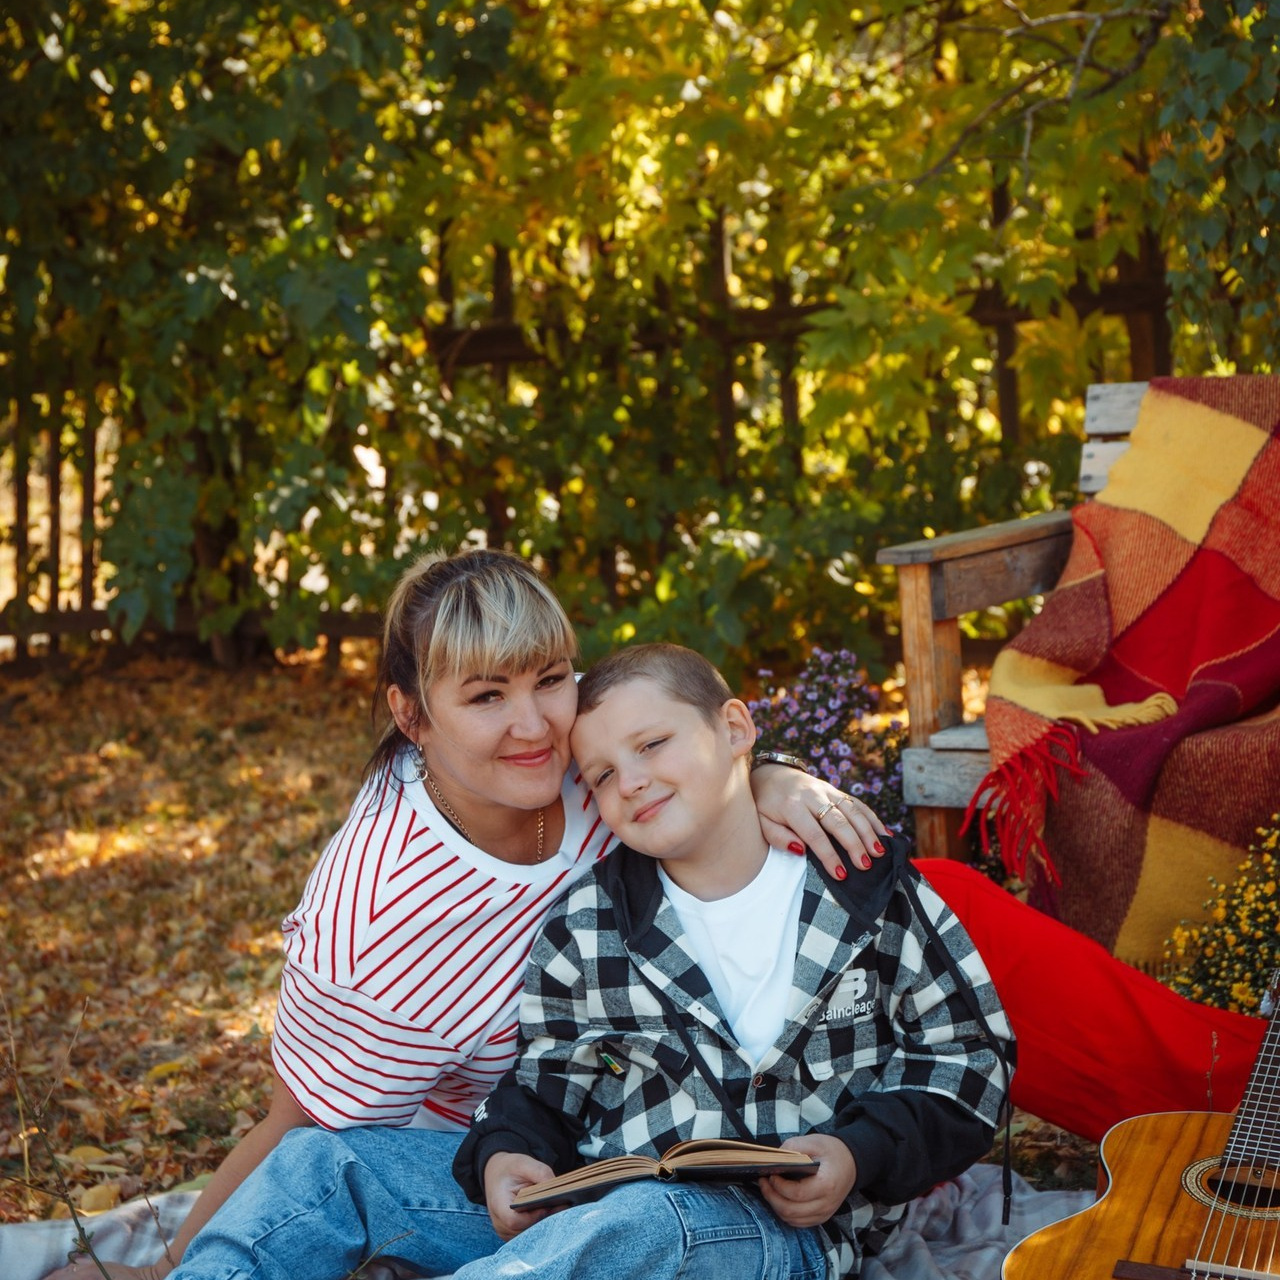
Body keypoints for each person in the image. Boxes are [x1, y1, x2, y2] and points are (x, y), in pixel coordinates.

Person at [44, 550, 885, 1280]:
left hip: (704, 1158)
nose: (535, 727)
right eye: (486, 696)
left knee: (636, 1227)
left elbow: (691, 743)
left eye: (552, 679)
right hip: (517, 1164)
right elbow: (302, 1127)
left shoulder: (593, 752)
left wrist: (767, 776)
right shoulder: (377, 915)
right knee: (332, 1171)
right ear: (411, 715)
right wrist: (167, 1264)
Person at [437, 643, 1013, 1280]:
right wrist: (507, 1152)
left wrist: (855, 1154)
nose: (629, 782)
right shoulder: (588, 923)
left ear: (735, 729)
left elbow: (969, 1057)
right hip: (599, 1208)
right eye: (600, 775)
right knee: (331, 1171)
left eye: (652, 744)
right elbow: (548, 1080)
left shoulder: (863, 891)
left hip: (788, 1237)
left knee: (653, 1224)